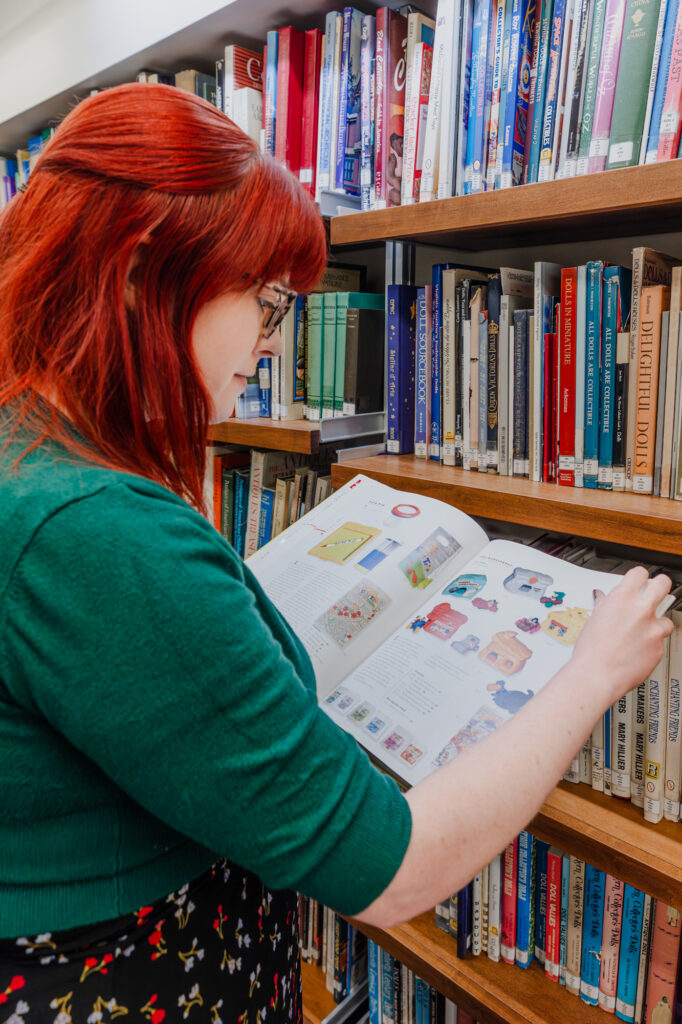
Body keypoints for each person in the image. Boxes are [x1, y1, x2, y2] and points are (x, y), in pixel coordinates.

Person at [0, 82, 672, 1022]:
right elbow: (391, 870)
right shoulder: (90, 529)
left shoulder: (30, 444)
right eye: (270, 303)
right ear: (139, 269)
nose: (274, 347)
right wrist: (593, 672)